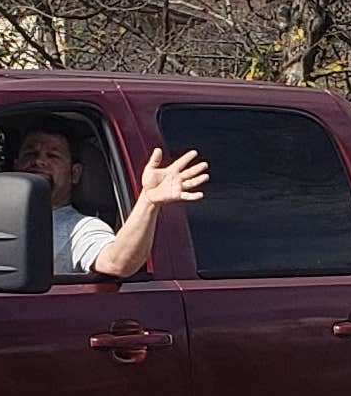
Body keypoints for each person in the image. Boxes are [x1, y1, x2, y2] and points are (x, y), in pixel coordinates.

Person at [13, 121, 208, 283]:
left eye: (53, 155)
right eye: (30, 154)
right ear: (16, 165)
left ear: (75, 173)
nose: (39, 161)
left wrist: (148, 201)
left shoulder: (79, 228)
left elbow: (118, 262)